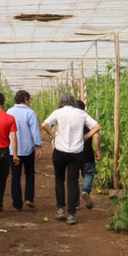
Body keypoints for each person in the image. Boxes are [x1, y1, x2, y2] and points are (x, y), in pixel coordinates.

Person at [41, 92, 100, 225]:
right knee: (73, 182)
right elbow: (97, 127)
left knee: (59, 179)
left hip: (60, 151)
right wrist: (86, 136)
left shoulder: (57, 113)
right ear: (73, 101)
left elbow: (44, 125)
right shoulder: (81, 113)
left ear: (61, 101)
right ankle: (71, 214)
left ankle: (61, 209)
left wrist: (53, 135)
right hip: (76, 152)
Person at [6, 90, 42, 210]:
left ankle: (17, 204)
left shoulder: (9, 112)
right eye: (29, 100)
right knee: (29, 173)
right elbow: (35, 131)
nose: (30, 102)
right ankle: (29, 198)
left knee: (15, 176)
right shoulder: (30, 113)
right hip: (28, 149)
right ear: (25, 99)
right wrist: (38, 146)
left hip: (13, 150)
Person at [75, 98, 100, 208]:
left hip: (74, 152)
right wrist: (98, 151)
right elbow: (96, 135)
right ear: (84, 109)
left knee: (73, 177)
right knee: (88, 173)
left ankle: (75, 202)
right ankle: (85, 190)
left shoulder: (70, 120)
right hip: (87, 152)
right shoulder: (88, 120)